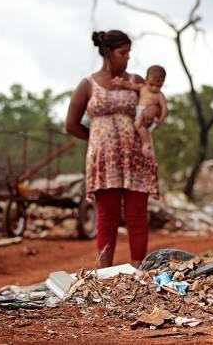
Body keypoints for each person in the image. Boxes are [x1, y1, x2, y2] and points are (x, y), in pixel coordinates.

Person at [66, 30, 159, 268]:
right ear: (108, 53)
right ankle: (103, 273)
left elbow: (155, 103)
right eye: (123, 53)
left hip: (136, 158)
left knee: (137, 216)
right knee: (107, 217)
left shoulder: (137, 81)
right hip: (104, 161)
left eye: (129, 53)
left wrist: (152, 112)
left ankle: (139, 271)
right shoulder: (87, 85)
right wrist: (97, 140)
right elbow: (71, 124)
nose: (127, 58)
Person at [111, 64, 168, 157]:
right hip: (139, 111)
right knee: (137, 126)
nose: (154, 88)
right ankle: (144, 142)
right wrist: (121, 83)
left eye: (159, 86)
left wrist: (161, 120)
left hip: (147, 114)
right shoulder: (142, 87)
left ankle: (146, 143)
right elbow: (131, 85)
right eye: (151, 84)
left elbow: (164, 108)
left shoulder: (159, 95)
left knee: (138, 125)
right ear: (146, 79)